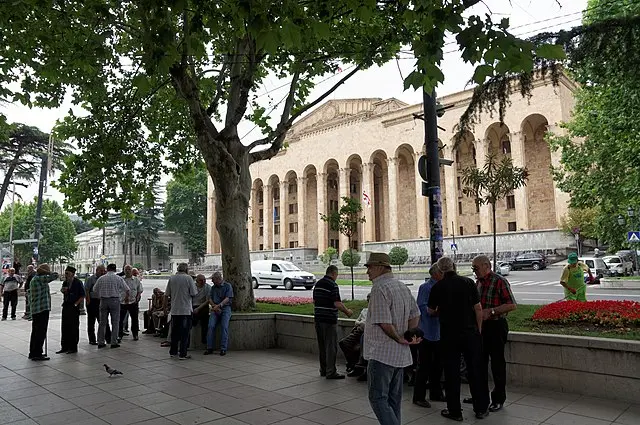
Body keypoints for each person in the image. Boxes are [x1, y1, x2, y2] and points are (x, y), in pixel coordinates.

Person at [428, 256, 489, 421]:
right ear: (454, 267)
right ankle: (481, 408)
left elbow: (431, 311)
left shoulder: (438, 287)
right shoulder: (468, 283)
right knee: (475, 370)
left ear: (440, 270)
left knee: (451, 373)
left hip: (449, 336)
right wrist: (479, 329)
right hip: (470, 333)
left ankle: (455, 411)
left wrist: (441, 310)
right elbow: (478, 308)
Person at [363, 252, 421, 425]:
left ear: (380, 267)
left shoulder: (379, 288)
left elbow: (384, 322)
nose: (367, 272)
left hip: (382, 353)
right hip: (399, 355)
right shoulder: (400, 286)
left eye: (370, 267)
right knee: (393, 399)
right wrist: (409, 334)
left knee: (378, 398)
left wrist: (400, 338)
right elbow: (415, 314)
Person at [466, 255, 517, 413]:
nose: (474, 271)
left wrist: (492, 311)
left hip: (496, 325)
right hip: (481, 327)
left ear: (486, 266)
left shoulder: (499, 280)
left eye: (476, 268)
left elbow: (512, 305)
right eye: (473, 268)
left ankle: (498, 398)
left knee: (497, 364)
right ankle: (480, 397)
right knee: (478, 363)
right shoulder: (478, 283)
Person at [413, 264, 445, 408]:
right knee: (424, 366)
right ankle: (418, 396)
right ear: (435, 274)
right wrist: (438, 310)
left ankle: (436, 392)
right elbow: (423, 308)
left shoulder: (441, 286)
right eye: (441, 272)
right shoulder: (426, 287)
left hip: (438, 332)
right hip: (427, 332)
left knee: (438, 365)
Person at [313, 265, 353, 379]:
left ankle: (323, 369)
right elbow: (337, 303)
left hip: (318, 319)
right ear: (334, 273)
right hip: (329, 320)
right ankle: (331, 372)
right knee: (331, 346)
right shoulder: (333, 285)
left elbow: (315, 301)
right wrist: (348, 312)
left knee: (322, 346)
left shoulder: (318, 284)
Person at [164, 263, 198, 359]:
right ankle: (183, 353)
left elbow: (166, 294)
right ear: (186, 270)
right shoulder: (188, 278)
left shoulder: (172, 278)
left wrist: (165, 307)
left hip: (175, 309)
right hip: (185, 309)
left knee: (174, 332)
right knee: (185, 332)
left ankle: (173, 351)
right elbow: (193, 293)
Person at [93, 263, 130, 348]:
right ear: (115, 269)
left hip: (103, 300)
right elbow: (127, 289)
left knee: (102, 322)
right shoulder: (118, 278)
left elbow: (95, 289)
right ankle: (114, 342)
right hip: (115, 300)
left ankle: (101, 342)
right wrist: (124, 298)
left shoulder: (101, 278)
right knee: (115, 322)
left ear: (107, 269)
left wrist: (100, 295)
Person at [57, 266, 85, 354]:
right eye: (65, 273)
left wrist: (76, 304)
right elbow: (63, 291)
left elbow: (82, 295)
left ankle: (73, 347)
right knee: (65, 326)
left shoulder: (78, 282)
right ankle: (64, 346)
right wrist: (63, 290)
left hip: (74, 306)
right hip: (66, 305)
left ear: (72, 274)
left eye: (67, 273)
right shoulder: (65, 282)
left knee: (73, 327)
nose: (66, 275)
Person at [28, 264, 54, 361]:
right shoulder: (40, 279)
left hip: (36, 309)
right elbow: (55, 275)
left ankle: (33, 352)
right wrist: (48, 272)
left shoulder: (35, 279)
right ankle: (37, 353)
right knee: (40, 332)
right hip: (42, 309)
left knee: (35, 332)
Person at [204, 271, 234, 356]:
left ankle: (223, 348)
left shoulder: (227, 286)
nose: (212, 282)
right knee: (211, 326)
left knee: (224, 327)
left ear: (218, 279)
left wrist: (220, 305)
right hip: (215, 308)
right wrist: (214, 306)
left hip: (225, 308)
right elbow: (209, 298)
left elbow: (228, 298)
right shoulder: (213, 288)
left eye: (213, 280)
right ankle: (209, 347)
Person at [340, 293, 369, 377]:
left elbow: (366, 324)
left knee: (358, 347)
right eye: (368, 300)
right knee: (343, 343)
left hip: (364, 332)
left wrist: (361, 324)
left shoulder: (375, 311)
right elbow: (356, 321)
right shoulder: (364, 310)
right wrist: (361, 323)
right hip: (357, 331)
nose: (369, 302)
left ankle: (355, 366)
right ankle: (352, 364)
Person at [85, 265, 111, 345]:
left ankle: (108, 338)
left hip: (102, 301)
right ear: (96, 270)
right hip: (92, 302)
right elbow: (86, 290)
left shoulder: (105, 279)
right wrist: (88, 301)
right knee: (91, 321)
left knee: (104, 321)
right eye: (101, 271)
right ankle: (92, 339)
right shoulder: (90, 279)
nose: (103, 272)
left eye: (104, 271)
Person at [119, 264, 143, 342]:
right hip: (123, 303)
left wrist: (138, 297)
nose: (128, 271)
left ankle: (135, 334)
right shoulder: (121, 279)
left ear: (132, 270)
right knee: (120, 319)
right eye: (126, 269)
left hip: (133, 302)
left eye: (129, 269)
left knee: (135, 319)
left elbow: (140, 290)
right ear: (124, 270)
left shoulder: (136, 280)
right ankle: (119, 334)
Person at [192, 274, 211, 346]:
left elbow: (207, 301)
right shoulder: (192, 287)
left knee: (205, 320)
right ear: (197, 281)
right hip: (193, 305)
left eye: (204, 280)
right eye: (201, 280)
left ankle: (204, 339)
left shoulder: (208, 287)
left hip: (203, 306)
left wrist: (198, 308)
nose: (203, 282)